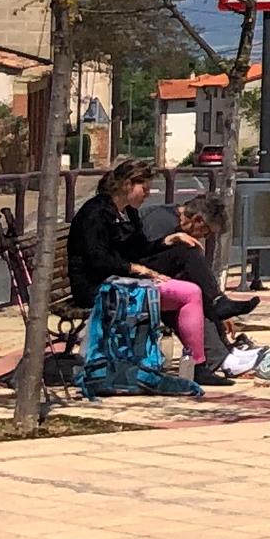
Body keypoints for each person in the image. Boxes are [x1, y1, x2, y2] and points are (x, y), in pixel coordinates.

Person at [68, 161, 211, 384]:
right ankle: (198, 364)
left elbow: (140, 249)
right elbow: (98, 259)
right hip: (97, 287)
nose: (147, 194)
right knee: (189, 293)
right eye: (144, 188)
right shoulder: (95, 213)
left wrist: (167, 241)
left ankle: (198, 362)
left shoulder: (129, 214)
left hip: (123, 281)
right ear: (127, 185)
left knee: (188, 284)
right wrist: (138, 270)